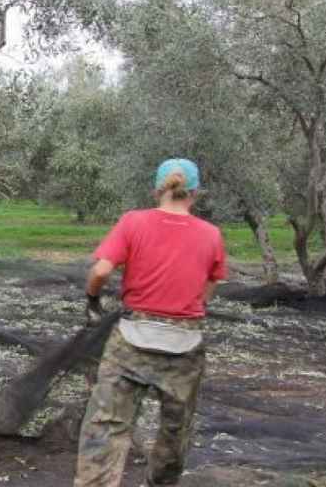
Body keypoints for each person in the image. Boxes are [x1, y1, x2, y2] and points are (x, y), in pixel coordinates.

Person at [74, 158, 227, 487]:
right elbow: (208, 287)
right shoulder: (212, 234)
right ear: (195, 193)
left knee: (106, 424)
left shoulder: (133, 222)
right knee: (175, 429)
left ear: (158, 189)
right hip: (184, 345)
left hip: (132, 337)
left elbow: (101, 271)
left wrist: (92, 300)